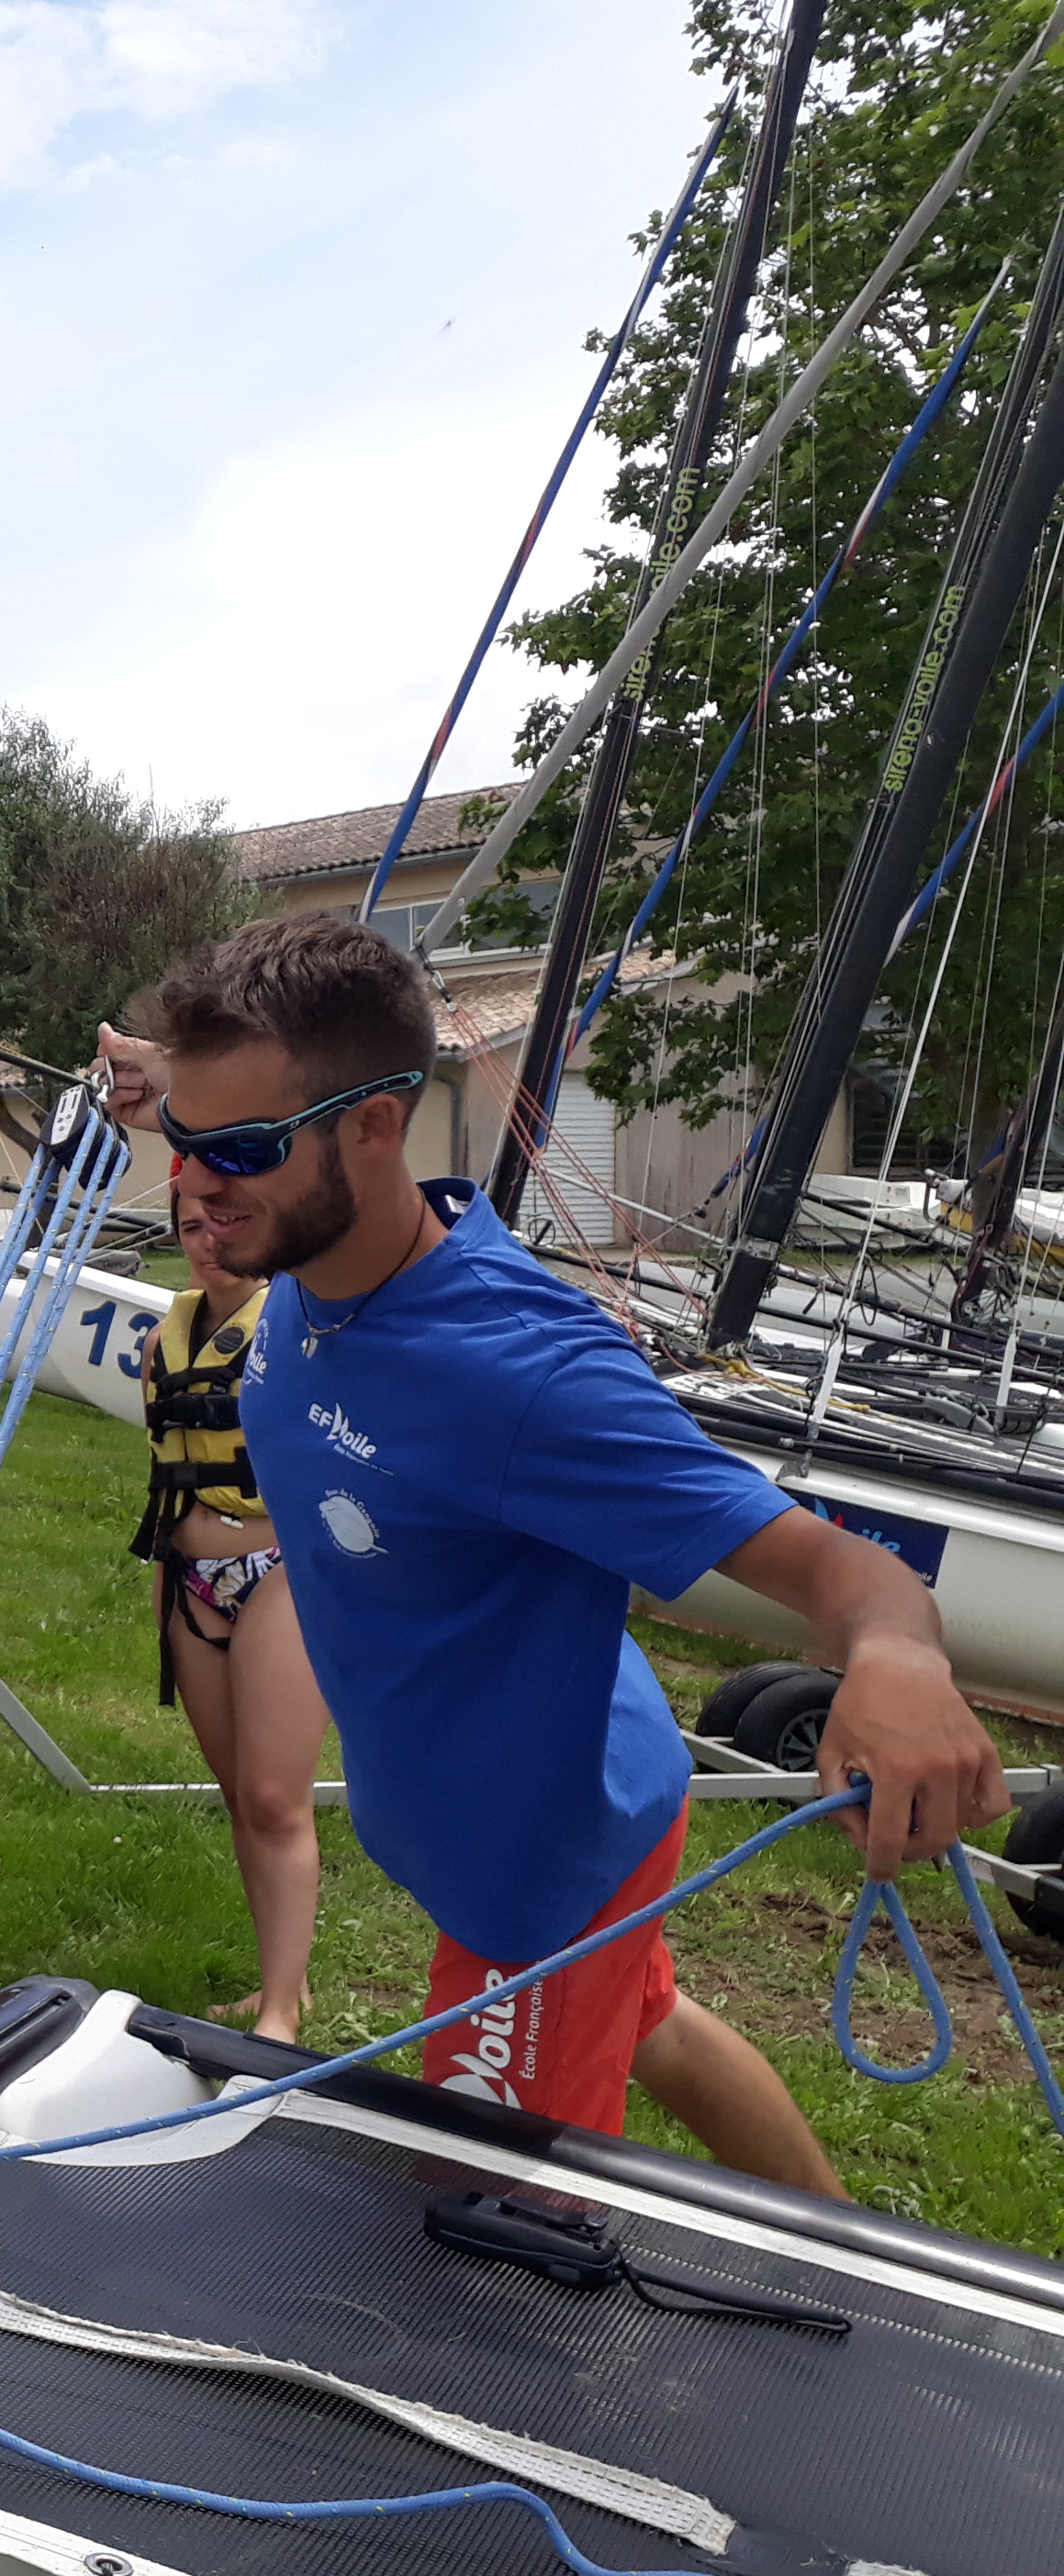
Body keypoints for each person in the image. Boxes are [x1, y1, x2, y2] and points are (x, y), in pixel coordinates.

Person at [96, 915, 1004, 2187]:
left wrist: (900, 1658)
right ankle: (857, 2267)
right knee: (654, 2024)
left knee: (481, 2243)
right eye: (184, 1141)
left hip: (540, 1857)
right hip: (574, 1773)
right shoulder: (302, 1228)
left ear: (376, 1122)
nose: (194, 1183)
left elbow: (848, 1579)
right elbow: (230, 1125)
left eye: (236, 1147)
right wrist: (182, 1095)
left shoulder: (526, 1374)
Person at [129, 1188, 321, 2043]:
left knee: (277, 1796)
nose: (208, 1243)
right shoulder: (160, 1339)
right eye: (191, 1228)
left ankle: (281, 2009)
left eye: (227, 1223)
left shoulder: (302, 1330)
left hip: (285, 1570)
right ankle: (273, 1978)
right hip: (191, 1580)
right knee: (241, 1793)